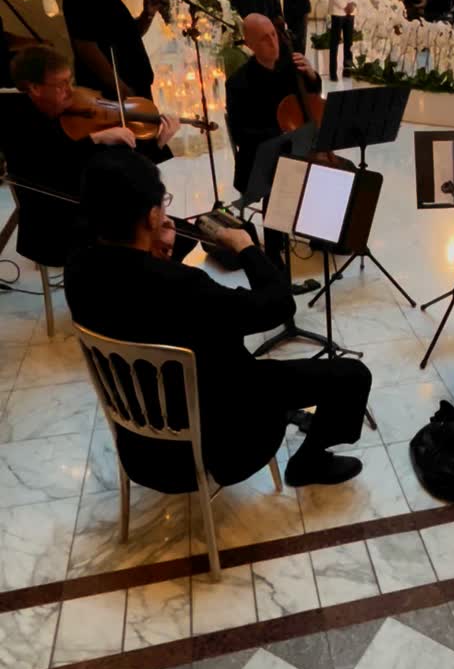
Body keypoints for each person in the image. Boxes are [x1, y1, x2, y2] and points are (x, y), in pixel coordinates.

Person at [65, 149, 372, 488]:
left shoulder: (78, 268)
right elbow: (278, 306)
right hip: (217, 447)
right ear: (151, 216)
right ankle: (309, 464)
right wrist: (246, 247)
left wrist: (162, 249)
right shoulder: (183, 288)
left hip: (139, 445)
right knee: (352, 375)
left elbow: (135, 279)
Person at [0, 46, 180, 266]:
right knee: (158, 240)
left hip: (95, 211)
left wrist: (157, 143)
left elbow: (124, 172)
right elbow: (59, 169)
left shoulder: (68, 117)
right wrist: (96, 139)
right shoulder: (19, 127)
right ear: (35, 89)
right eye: (61, 85)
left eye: (70, 81)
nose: (71, 91)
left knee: (175, 233)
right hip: (59, 225)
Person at [225, 13, 321, 270]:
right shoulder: (238, 83)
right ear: (250, 45)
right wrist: (279, 136)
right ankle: (274, 253)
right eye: (264, 38)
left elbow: (312, 99)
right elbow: (240, 132)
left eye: (274, 35)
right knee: (282, 177)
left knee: (325, 169)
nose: (273, 41)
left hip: (295, 149)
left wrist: (311, 75)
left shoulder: (290, 69)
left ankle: (323, 233)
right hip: (258, 159)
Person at [63, 0, 165, 103]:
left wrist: (147, 14)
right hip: (114, 95)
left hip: (134, 88)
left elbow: (129, 36)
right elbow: (87, 48)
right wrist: (121, 88)